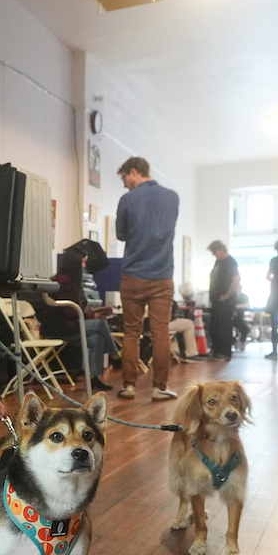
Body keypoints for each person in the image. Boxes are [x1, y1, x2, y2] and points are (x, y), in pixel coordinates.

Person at [114, 157, 180, 401]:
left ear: (134, 171)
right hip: (162, 277)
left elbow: (121, 234)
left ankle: (129, 386)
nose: (124, 184)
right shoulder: (173, 197)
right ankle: (160, 387)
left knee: (132, 332)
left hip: (132, 276)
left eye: (124, 178)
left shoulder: (127, 200)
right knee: (160, 331)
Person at [32, 246, 118, 392]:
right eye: (83, 263)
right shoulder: (63, 282)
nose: (84, 266)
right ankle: (115, 353)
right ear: (75, 263)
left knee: (96, 338)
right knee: (100, 324)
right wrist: (91, 315)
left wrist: (88, 311)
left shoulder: (69, 280)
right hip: (61, 328)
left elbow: (75, 308)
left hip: (69, 325)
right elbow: (69, 311)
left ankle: (93, 378)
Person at [206, 240, 240, 361]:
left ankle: (225, 352)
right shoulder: (218, 262)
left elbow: (236, 279)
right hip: (216, 300)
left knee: (224, 325)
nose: (214, 255)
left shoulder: (230, 262)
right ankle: (216, 350)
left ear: (220, 250)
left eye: (214, 252)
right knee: (215, 325)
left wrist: (227, 295)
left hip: (225, 301)